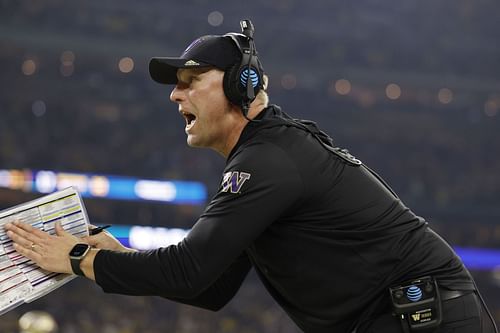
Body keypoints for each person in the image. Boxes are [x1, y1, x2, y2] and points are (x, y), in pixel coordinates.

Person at [5, 21, 497, 333]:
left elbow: (187, 270)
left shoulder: (267, 161)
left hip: (420, 316)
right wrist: (113, 255)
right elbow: (211, 288)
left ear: (242, 86)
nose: (175, 97)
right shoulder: (264, 157)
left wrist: (75, 257)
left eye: (190, 81)